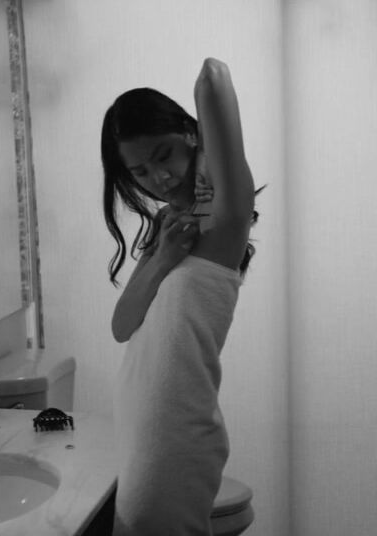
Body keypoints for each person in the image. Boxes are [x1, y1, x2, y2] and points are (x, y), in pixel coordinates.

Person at [100, 57, 258, 535]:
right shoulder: (168, 227)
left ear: (190, 135)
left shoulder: (223, 219)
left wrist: (203, 148)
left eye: (164, 155)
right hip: (139, 429)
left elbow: (214, 78)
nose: (160, 178)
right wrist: (162, 258)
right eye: (141, 171)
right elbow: (122, 326)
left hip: (175, 439)